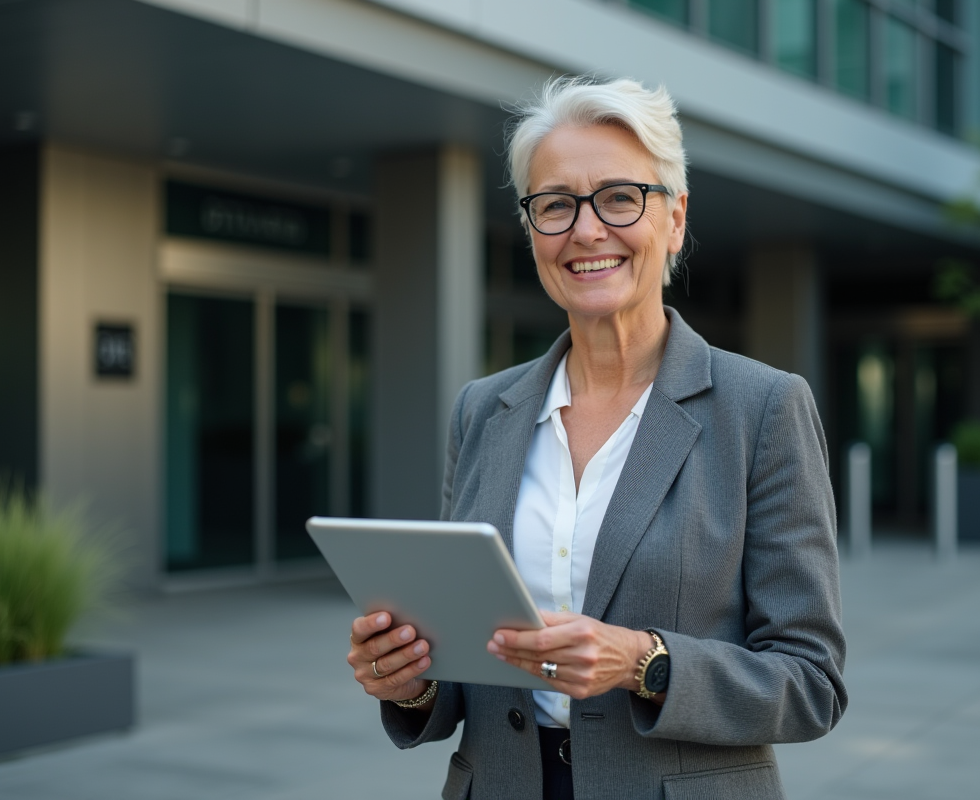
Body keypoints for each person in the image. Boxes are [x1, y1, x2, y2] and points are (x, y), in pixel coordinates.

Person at [347, 76, 847, 800]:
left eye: (619, 198)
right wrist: (410, 679)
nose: (585, 230)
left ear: (674, 219)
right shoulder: (483, 410)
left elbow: (811, 683)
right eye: (555, 205)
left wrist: (644, 661)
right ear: (532, 232)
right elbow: (462, 675)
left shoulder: (763, 409)